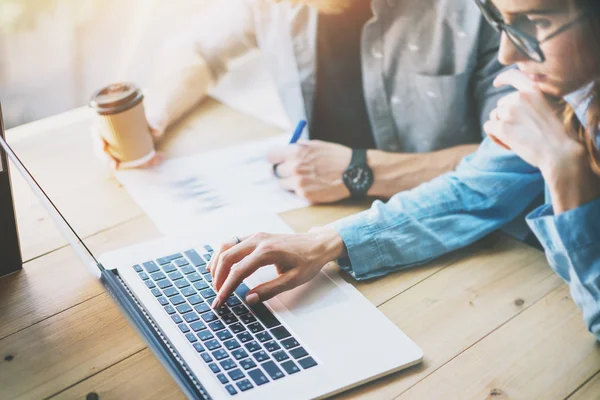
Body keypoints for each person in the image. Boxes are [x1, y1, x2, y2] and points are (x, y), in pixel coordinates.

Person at [208, 0, 600, 340]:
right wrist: (326, 241)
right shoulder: (566, 98)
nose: (507, 55)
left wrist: (566, 171)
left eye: (539, 22)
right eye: (502, 21)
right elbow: (473, 190)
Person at [94, 0, 511, 205]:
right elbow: (199, 49)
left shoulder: (480, 10)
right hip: (320, 221)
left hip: (455, 224)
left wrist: (361, 171)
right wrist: (155, 114)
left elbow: (519, 162)